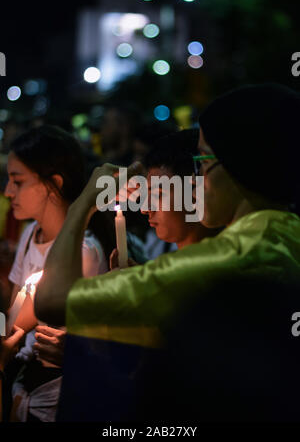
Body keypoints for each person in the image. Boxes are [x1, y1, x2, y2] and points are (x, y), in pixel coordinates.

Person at [35, 83, 300, 421]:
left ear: (234, 163)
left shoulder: (234, 255)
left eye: (202, 162)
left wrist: (84, 203)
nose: (195, 180)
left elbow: (53, 300)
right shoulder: (284, 231)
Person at [4, 125, 109, 422]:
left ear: (54, 183)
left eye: (17, 181)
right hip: (24, 379)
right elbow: (14, 318)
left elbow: (88, 343)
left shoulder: (84, 252)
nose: (8, 191)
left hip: (58, 393)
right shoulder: (29, 234)